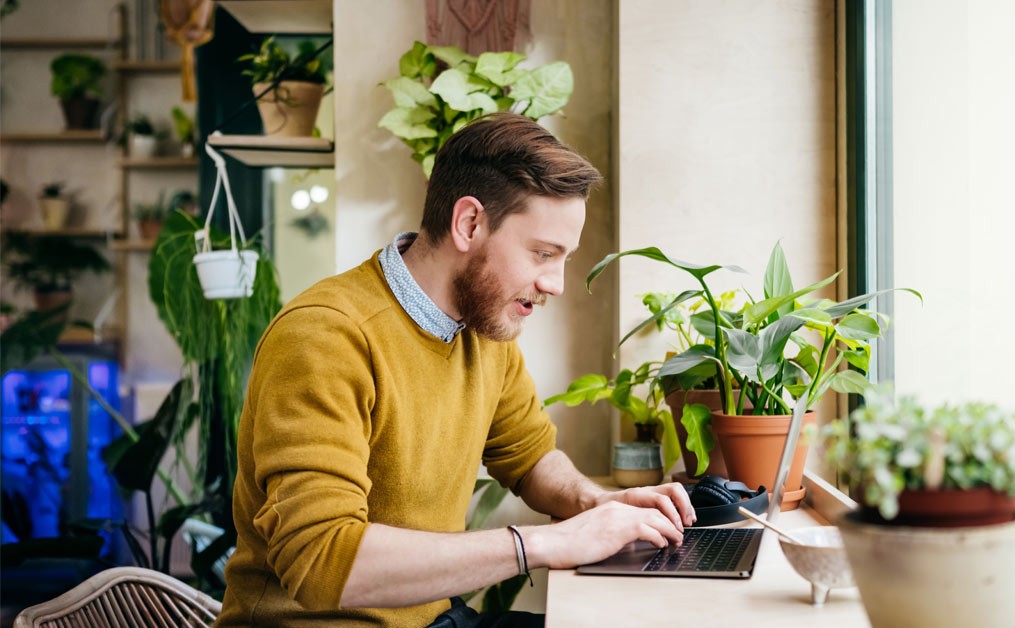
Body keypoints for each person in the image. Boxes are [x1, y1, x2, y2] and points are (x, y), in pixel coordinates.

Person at [216, 112, 696, 628]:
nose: (556, 283)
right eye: (542, 253)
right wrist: (546, 542)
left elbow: (529, 457)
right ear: (469, 223)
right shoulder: (326, 336)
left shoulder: (485, 326)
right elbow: (322, 561)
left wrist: (599, 503)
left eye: (564, 258)